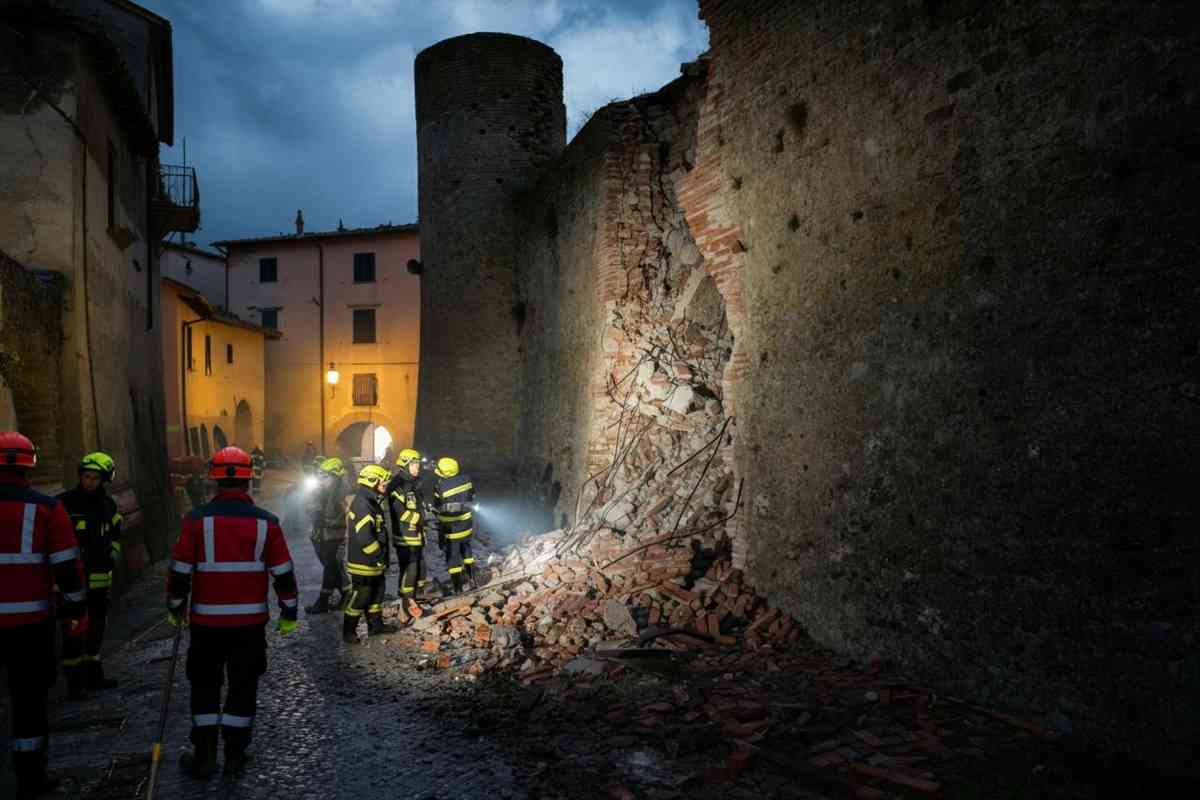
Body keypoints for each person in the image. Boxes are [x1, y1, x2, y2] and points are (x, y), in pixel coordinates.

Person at [166, 446, 299, 778]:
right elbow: (283, 572)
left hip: (205, 624)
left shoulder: (195, 521)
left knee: (204, 686)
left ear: (214, 479)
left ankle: (205, 755)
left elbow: (180, 570)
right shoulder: (267, 524)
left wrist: (175, 605)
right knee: (243, 687)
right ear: (248, 477)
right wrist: (289, 611)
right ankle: (236, 756)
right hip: (250, 626)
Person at [0, 431, 88, 798]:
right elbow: (67, 568)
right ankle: (30, 777)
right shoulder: (47, 510)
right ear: (30, 464)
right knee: (29, 701)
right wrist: (76, 610)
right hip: (29, 625)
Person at [56, 452, 123, 699]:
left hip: (100, 581)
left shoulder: (108, 505)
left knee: (96, 628)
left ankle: (94, 676)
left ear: (104, 479)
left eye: (95, 478)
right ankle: (74, 685)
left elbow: (116, 532)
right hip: (73, 581)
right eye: (86, 477)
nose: (90, 482)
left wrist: (113, 554)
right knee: (73, 630)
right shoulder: (64, 504)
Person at [342, 464, 396, 643]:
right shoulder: (364, 504)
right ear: (372, 481)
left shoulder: (371, 500)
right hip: (364, 562)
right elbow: (365, 538)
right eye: (383, 481)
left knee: (377, 594)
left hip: (373, 562)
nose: (386, 484)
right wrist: (379, 556)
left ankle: (376, 626)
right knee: (361, 596)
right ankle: (349, 631)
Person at [304, 457, 351, 614]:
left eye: (325, 476)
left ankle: (323, 601)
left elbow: (344, 516)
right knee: (332, 567)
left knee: (330, 567)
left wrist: (325, 523)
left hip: (335, 536)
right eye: (320, 476)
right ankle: (347, 594)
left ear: (335, 476)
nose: (321, 480)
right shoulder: (328, 489)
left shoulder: (343, 492)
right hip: (325, 534)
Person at [385, 448, 426, 623]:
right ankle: (405, 605)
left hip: (414, 533)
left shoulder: (412, 482)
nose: (418, 467)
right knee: (410, 569)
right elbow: (400, 512)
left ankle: (411, 599)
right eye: (415, 464)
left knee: (417, 568)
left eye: (418, 464)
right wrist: (422, 518)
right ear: (405, 465)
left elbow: (416, 505)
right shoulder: (398, 484)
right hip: (405, 535)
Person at [431, 457, 477, 594]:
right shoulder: (467, 479)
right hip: (466, 525)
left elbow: (437, 506)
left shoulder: (439, 486)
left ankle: (458, 588)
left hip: (451, 529)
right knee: (467, 552)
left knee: (453, 558)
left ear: (445, 472)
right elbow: (472, 497)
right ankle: (472, 580)